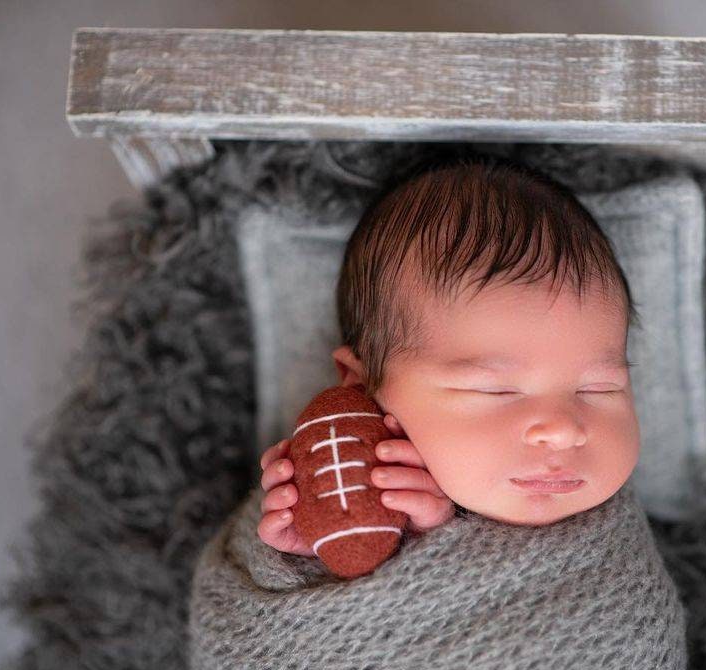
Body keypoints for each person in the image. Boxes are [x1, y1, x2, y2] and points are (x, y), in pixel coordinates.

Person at [255, 151, 642, 554]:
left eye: (600, 389)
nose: (564, 430)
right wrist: (318, 556)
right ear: (361, 384)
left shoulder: (618, 540)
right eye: (496, 391)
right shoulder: (339, 492)